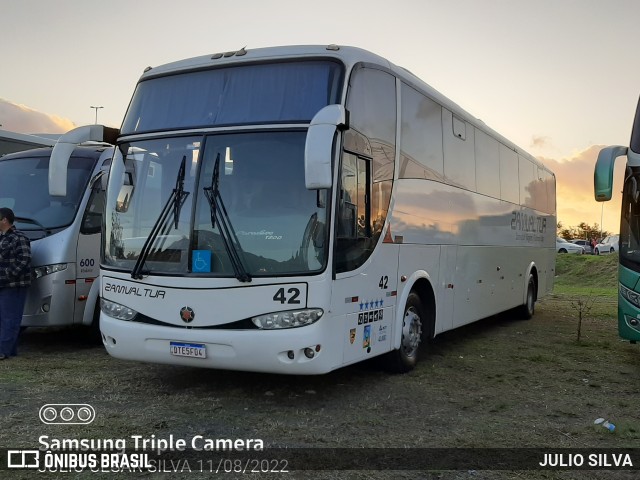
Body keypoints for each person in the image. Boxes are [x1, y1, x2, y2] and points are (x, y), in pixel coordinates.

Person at [0, 207, 31, 360]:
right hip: (3, 285)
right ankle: (9, 350)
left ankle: (3, 350)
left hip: (13, 285)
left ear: (4, 219)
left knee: (9, 318)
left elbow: (24, 260)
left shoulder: (19, 237)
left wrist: (7, 275)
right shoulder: (2, 237)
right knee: (4, 318)